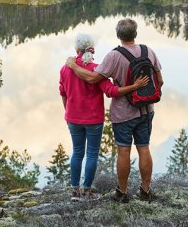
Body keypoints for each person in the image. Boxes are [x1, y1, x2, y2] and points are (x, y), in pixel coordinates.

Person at [66, 19, 163, 203]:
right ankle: (145, 190)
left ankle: (122, 192)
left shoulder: (114, 56)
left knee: (124, 151)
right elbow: (160, 80)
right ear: (135, 33)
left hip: (123, 113)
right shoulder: (148, 51)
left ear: (118, 35)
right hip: (146, 110)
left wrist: (72, 65)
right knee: (144, 148)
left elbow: (94, 78)